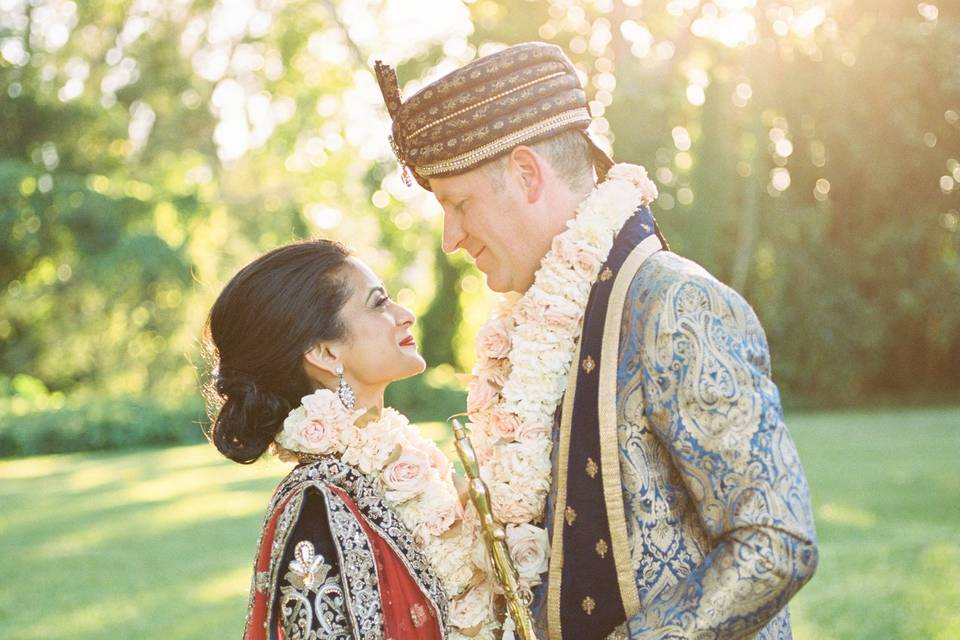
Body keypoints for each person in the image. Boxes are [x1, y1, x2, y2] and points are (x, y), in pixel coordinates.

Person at [374, 42, 819, 639]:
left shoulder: (676, 303)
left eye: (459, 204)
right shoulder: (532, 331)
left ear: (527, 173)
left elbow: (777, 540)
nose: (451, 237)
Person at [204, 240, 453, 640]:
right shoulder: (318, 506)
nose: (405, 315)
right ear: (324, 351)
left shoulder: (409, 465)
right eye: (378, 304)